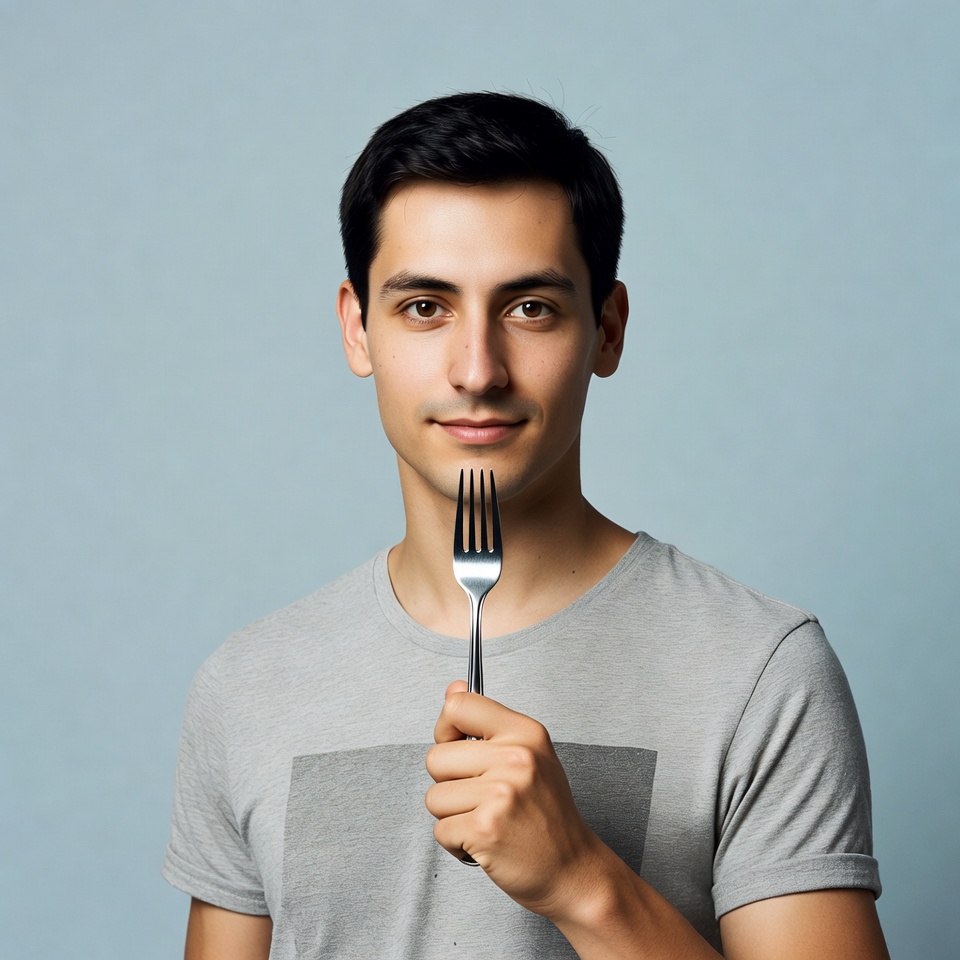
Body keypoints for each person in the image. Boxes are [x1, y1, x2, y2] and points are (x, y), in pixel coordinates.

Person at [163, 92, 889, 959]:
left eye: (530, 308)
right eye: (425, 307)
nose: (478, 370)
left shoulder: (758, 670)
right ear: (359, 330)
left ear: (607, 331)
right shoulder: (248, 687)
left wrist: (583, 880)